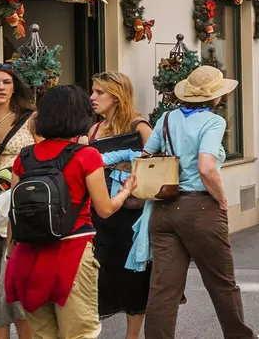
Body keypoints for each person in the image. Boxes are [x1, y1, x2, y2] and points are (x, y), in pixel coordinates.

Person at [143, 65, 259, 339]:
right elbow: (206, 166)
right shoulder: (213, 122)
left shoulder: (166, 118)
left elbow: (147, 155)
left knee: (164, 288)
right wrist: (222, 199)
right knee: (221, 282)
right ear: (215, 97)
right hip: (199, 207)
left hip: (163, 209)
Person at [5, 86, 137, 339]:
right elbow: (105, 209)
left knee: (44, 334)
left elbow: (14, 212)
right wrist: (126, 190)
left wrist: (11, 255)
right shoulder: (86, 156)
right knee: (80, 334)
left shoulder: (25, 157)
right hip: (71, 253)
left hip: (27, 257)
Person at [87, 71, 154, 338]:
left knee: (133, 275)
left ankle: (132, 336)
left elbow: (156, 166)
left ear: (117, 96)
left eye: (99, 92)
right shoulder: (93, 129)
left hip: (131, 213)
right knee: (101, 273)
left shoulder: (139, 126)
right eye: (92, 91)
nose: (92, 97)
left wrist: (124, 165)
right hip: (99, 211)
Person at [0, 63, 35, 339]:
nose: (1, 88)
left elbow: (45, 157)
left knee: (16, 281)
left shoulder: (30, 119)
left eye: (6, 82)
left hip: (19, 206)